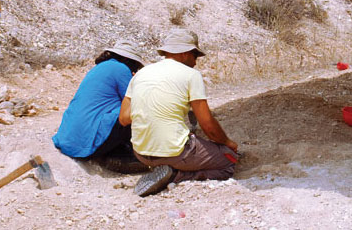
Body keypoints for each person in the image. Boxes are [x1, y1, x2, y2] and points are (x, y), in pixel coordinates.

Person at [119, 29, 239, 197]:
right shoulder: (192, 75)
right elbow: (207, 125)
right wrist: (227, 142)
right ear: (184, 53)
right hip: (174, 152)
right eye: (195, 56)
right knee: (229, 161)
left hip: (141, 153)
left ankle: (165, 169)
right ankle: (176, 175)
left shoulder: (140, 74)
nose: (196, 62)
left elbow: (124, 118)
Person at [52, 40, 149, 173]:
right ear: (127, 59)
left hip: (68, 141)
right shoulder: (121, 69)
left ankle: (115, 151)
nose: (135, 70)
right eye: (136, 66)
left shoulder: (99, 68)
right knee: (135, 110)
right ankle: (134, 155)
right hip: (85, 145)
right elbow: (133, 102)